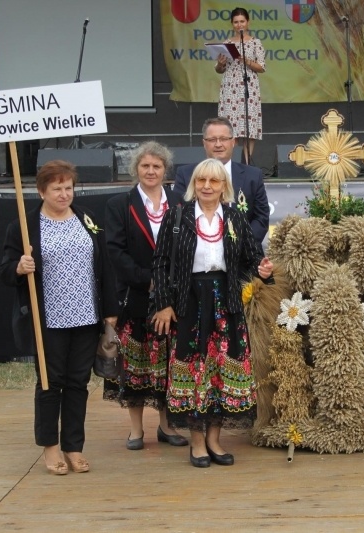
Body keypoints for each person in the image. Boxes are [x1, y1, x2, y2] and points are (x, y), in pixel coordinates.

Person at [151, 158, 274, 468]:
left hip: (226, 303)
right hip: (188, 302)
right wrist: (164, 304)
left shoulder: (234, 217)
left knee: (219, 372)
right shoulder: (177, 216)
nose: (207, 186)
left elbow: (251, 261)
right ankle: (196, 442)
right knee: (194, 371)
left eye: (214, 181)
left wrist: (264, 272)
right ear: (194, 184)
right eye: (202, 180)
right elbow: (160, 262)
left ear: (224, 187)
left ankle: (214, 440)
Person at [0, 160, 118, 475]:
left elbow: (104, 267)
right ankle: (50, 448)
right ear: (42, 191)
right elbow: (4, 270)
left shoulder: (86, 219)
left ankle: (74, 447)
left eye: (68, 188)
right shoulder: (24, 227)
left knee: (79, 383)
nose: (64, 194)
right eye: (57, 189)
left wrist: (110, 314)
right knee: (51, 384)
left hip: (85, 317)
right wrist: (18, 267)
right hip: (47, 320)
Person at [102, 142, 188, 450]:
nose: (151, 171)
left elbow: (187, 252)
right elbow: (115, 252)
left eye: (157, 166)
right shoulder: (119, 204)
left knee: (168, 365)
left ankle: (167, 426)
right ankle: (136, 431)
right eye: (145, 166)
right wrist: (150, 281)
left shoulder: (180, 203)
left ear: (166, 171)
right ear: (136, 169)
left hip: (172, 301)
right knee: (135, 367)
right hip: (135, 297)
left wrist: (169, 286)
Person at [173, 117, 269, 246]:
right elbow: (179, 215)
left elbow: (261, 218)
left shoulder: (253, 175)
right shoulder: (186, 174)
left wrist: (241, 244)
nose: (218, 144)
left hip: (244, 255)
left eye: (223, 139)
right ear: (204, 143)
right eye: (212, 140)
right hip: (198, 252)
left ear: (233, 142)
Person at [214, 7, 266, 164]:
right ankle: (232, 163)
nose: (239, 25)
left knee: (249, 128)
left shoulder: (256, 43)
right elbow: (218, 69)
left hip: (248, 87)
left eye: (242, 21)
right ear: (232, 24)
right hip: (230, 88)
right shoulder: (226, 43)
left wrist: (245, 60)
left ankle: (247, 163)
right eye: (236, 22)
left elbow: (262, 67)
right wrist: (220, 64)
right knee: (230, 127)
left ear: (248, 22)